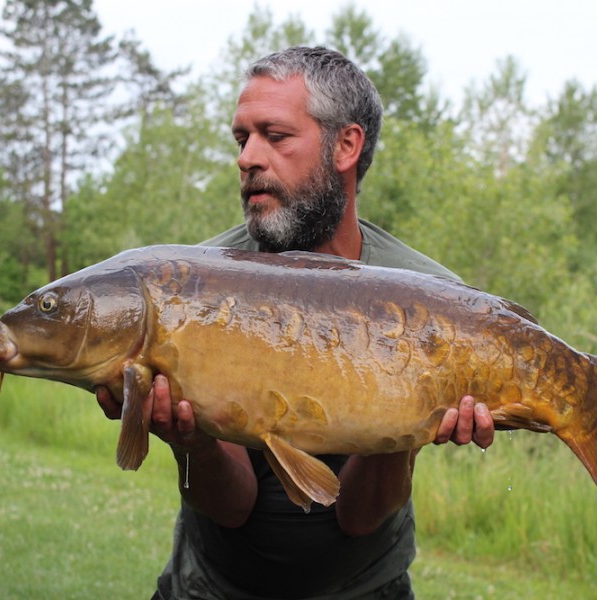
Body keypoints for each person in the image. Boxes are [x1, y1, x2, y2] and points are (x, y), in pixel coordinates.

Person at [96, 46, 494, 600]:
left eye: (275, 136)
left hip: (365, 588)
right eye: (242, 139)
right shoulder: (188, 288)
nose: (248, 158)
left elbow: (358, 517)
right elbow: (233, 508)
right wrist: (188, 442)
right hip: (213, 587)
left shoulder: (433, 302)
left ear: (346, 146)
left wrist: (409, 430)